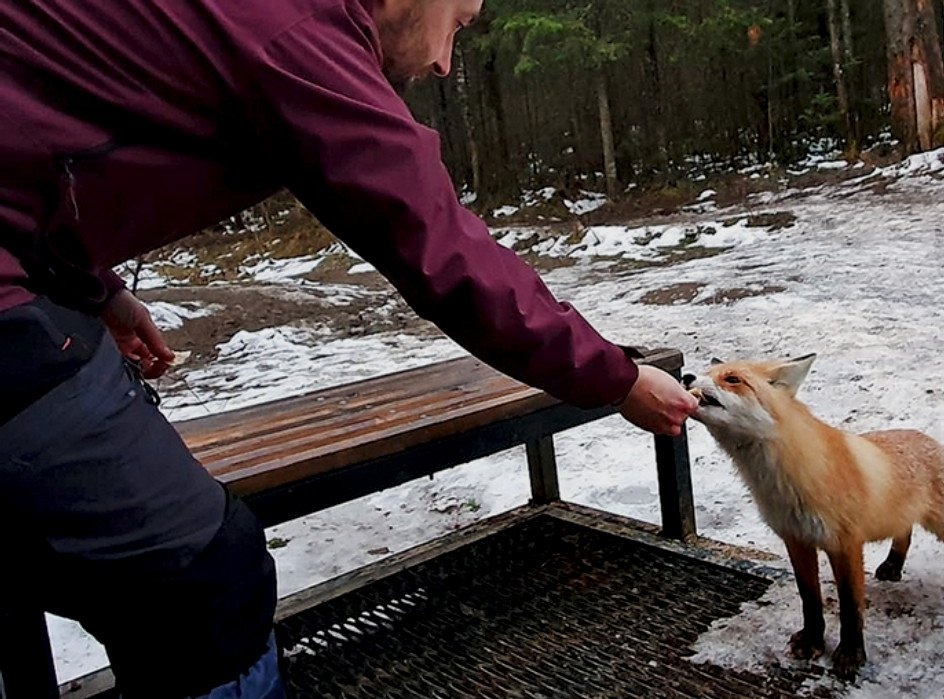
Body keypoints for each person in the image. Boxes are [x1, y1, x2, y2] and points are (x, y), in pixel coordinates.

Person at [0, 0, 699, 696]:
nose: (445, 62)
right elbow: (440, 247)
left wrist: (94, 289)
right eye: (457, 22)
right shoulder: (298, 31)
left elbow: (35, 146)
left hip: (23, 269)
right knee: (199, 577)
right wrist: (618, 379)